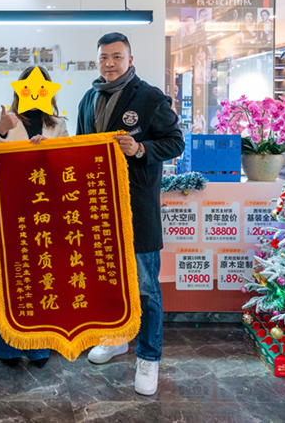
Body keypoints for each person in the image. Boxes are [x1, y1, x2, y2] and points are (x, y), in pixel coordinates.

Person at [77, 32, 184, 396]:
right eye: (103, 57)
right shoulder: (88, 99)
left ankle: (148, 357)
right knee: (108, 281)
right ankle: (116, 337)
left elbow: (175, 142)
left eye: (116, 57)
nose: (109, 63)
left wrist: (140, 148)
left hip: (138, 209)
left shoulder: (150, 97)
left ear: (130, 59)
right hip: (99, 208)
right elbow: (78, 148)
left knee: (146, 288)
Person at [0, 66, 69, 369]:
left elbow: (67, 167)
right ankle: (7, 348)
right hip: (8, 211)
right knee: (9, 279)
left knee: (44, 279)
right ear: (19, 89)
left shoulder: (58, 124)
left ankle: (39, 347)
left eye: (42, 87)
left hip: (44, 214)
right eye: (28, 87)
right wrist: (2, 131)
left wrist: (50, 151)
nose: (34, 92)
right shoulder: (1, 116)